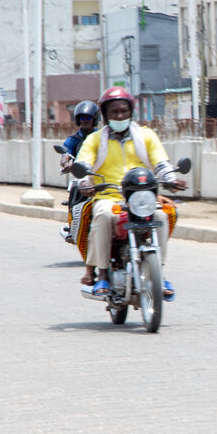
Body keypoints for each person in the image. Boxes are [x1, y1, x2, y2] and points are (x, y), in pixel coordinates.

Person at [74, 87, 185, 299]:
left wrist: (171, 179)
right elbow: (83, 164)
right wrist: (85, 182)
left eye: (124, 111)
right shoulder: (95, 140)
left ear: (131, 112)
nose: (120, 116)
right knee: (103, 215)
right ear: (105, 115)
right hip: (109, 197)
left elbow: (161, 163)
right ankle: (102, 274)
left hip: (142, 197)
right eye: (114, 112)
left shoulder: (146, 136)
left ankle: (159, 273)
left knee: (161, 215)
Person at [58, 101, 100, 240]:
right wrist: (66, 164)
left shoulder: (101, 136)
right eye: (82, 117)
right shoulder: (74, 139)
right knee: (75, 189)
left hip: (99, 174)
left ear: (94, 119)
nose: (85, 120)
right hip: (82, 175)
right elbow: (65, 155)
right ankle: (72, 227)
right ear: (78, 120)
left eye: (88, 117)